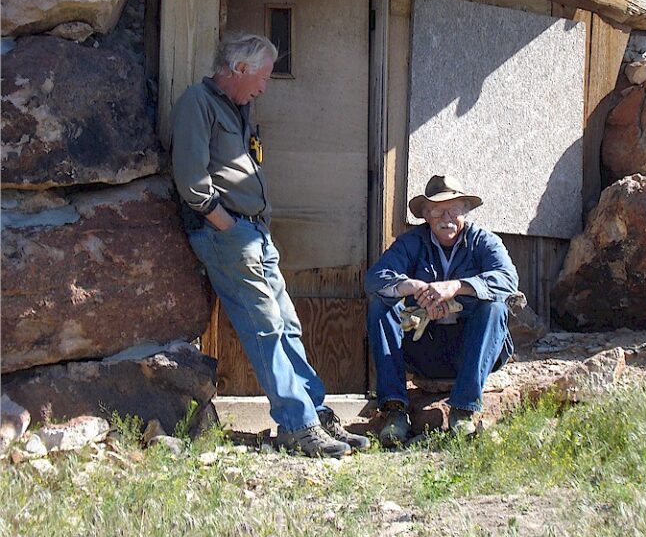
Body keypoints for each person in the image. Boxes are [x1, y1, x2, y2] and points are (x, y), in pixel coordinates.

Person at [171, 32, 368, 458]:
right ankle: (297, 426)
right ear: (239, 69)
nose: (264, 86)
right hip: (230, 235)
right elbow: (190, 179)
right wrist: (228, 226)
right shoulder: (197, 103)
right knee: (265, 327)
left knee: (287, 324)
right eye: (261, 77)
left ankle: (313, 412)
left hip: (256, 233)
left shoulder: (238, 107)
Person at [366, 174, 518, 445]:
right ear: (425, 214)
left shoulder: (485, 242)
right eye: (437, 210)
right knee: (381, 306)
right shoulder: (411, 242)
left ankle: (463, 411)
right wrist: (412, 287)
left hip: (470, 351)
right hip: (425, 348)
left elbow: (508, 279)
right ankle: (394, 411)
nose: (446, 217)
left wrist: (455, 288)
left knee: (495, 307)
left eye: (454, 209)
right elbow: (375, 278)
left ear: (466, 211)